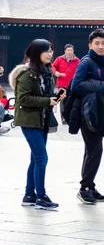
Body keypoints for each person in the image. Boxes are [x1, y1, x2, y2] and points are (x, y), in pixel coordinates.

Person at [9, 39, 65, 210]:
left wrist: (56, 97)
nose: (50, 54)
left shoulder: (46, 72)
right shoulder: (27, 74)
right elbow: (23, 99)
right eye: (46, 51)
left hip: (42, 119)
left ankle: (29, 195)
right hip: (29, 121)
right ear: (36, 53)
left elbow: (44, 95)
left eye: (51, 51)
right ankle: (41, 197)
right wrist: (47, 101)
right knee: (42, 159)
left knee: (35, 159)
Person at [69, 29, 104, 204]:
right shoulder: (86, 62)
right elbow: (76, 86)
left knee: (92, 150)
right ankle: (84, 188)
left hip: (101, 111)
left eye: (103, 43)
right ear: (90, 45)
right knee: (95, 149)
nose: (100, 46)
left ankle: (89, 186)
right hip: (87, 112)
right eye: (96, 43)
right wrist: (101, 85)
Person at [52, 44, 80, 124]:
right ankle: (63, 118)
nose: (69, 52)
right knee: (62, 102)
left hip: (72, 85)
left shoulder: (77, 61)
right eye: (68, 50)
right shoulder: (59, 59)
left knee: (71, 102)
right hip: (62, 85)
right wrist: (56, 72)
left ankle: (70, 118)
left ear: (73, 51)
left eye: (71, 50)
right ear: (65, 51)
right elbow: (52, 66)